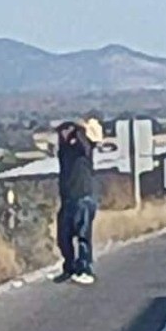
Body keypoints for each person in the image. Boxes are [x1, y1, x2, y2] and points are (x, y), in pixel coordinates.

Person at [54, 118, 102, 285]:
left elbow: (82, 139)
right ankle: (70, 267)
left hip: (82, 198)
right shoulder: (67, 151)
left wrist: (78, 128)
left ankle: (84, 268)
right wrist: (65, 131)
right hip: (68, 199)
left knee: (82, 236)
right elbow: (61, 142)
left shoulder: (85, 149)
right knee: (63, 237)